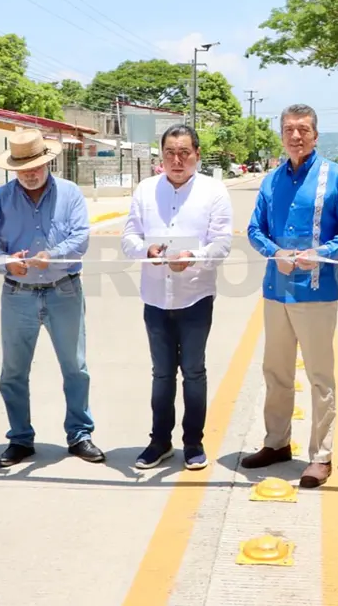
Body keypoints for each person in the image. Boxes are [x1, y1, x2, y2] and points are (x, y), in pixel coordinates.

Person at [244, 103, 338, 488]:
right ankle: (276, 443)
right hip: (276, 291)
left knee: (318, 377)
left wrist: (322, 254)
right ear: (281, 134)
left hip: (317, 292)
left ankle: (321, 455)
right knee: (275, 372)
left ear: (316, 134)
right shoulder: (271, 180)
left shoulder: (337, 177)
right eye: (290, 129)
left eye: (304, 129)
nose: (296, 136)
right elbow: (254, 229)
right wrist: (273, 252)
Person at [0, 129, 104, 468]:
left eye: (35, 166)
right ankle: (20, 438)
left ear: (48, 162)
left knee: (75, 368)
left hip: (64, 289)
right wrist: (6, 263)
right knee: (13, 372)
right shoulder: (2, 198)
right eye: (22, 168)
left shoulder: (70, 193)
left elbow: (80, 237)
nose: (30, 174)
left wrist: (55, 254)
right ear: (13, 168)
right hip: (18, 294)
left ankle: (79, 434)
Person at [121, 124, 233, 471]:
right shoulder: (145, 191)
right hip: (155, 298)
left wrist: (194, 258)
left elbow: (222, 243)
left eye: (184, 152)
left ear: (197, 155)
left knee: (194, 371)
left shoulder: (214, 192)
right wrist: (147, 250)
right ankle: (159, 441)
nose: (177, 160)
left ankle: (193, 442)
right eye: (170, 152)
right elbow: (129, 238)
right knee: (162, 374)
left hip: (195, 298)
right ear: (161, 156)